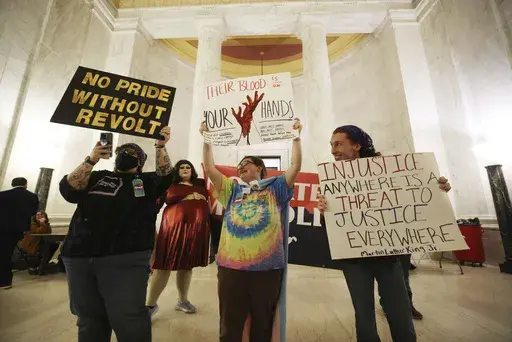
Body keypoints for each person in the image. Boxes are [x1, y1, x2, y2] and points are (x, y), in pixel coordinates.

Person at [317, 125, 452, 342]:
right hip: (354, 260)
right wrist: (325, 211)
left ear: (357, 145)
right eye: (331, 145)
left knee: (399, 309)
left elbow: (414, 199)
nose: (333, 150)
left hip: (388, 256)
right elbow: (331, 227)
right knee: (363, 313)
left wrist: (438, 191)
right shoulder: (331, 180)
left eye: (338, 144)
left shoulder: (387, 171)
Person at [59, 127, 173, 342]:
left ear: (140, 162)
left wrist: (160, 145)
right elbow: (69, 189)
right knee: (88, 318)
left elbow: (166, 175)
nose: (125, 156)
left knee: (128, 317)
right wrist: (91, 159)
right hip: (80, 254)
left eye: (132, 154)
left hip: (126, 256)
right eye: (123, 152)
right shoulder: (96, 177)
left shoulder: (147, 182)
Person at [201, 119, 302, 342]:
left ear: (260, 168)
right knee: (230, 324)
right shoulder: (232, 189)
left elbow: (295, 167)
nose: (241, 166)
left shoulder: (276, 187)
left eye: (246, 163)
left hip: (267, 270)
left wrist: (295, 138)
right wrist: (207, 140)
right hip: (231, 268)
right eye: (239, 165)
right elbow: (209, 168)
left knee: (262, 323)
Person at [146, 160, 211, 316]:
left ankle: (182, 300)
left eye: (188, 167)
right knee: (163, 267)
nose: (185, 169)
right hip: (173, 229)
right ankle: (150, 306)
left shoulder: (201, 184)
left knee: (187, 266)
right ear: (176, 171)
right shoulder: (169, 184)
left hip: (196, 231)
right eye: (181, 167)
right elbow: (152, 206)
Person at [0, 177, 39, 289]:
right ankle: (5, 281)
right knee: (8, 253)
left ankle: (4, 281)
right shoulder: (32, 196)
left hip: (2, 228)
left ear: (12, 184)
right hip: (19, 229)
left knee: (4, 254)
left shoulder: (2, 195)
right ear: (25, 185)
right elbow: (33, 212)